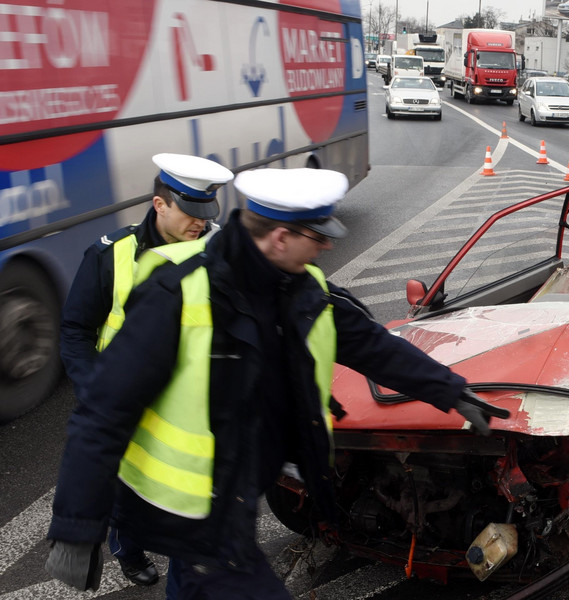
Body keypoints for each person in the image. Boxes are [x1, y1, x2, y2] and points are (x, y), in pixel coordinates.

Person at [45, 167, 502, 598]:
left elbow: (372, 346)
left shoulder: (301, 288)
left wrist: (450, 389)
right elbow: (103, 412)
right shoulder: (178, 293)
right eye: (317, 236)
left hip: (243, 488)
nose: (324, 246)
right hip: (200, 504)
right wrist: (75, 530)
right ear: (281, 237)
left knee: (192, 584)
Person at [58, 153, 234, 588]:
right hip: (123, 397)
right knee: (124, 489)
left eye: (207, 212)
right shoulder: (111, 254)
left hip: (186, 403)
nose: (201, 222)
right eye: (191, 212)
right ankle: (128, 550)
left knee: (186, 489)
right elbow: (76, 329)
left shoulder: (221, 253)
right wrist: (92, 386)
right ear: (160, 205)